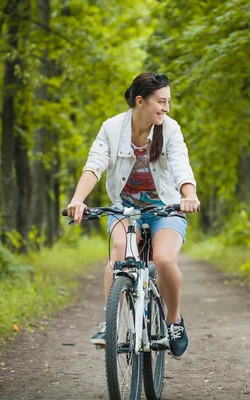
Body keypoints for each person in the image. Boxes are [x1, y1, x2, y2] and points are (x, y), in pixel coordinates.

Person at [66, 72, 200, 359]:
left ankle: (174, 321)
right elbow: (95, 164)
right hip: (126, 209)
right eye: (161, 102)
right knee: (118, 251)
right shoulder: (112, 128)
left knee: (164, 259)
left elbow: (180, 165)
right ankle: (110, 323)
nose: (166, 108)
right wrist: (78, 199)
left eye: (168, 102)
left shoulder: (170, 129)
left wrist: (189, 195)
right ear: (141, 101)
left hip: (165, 208)